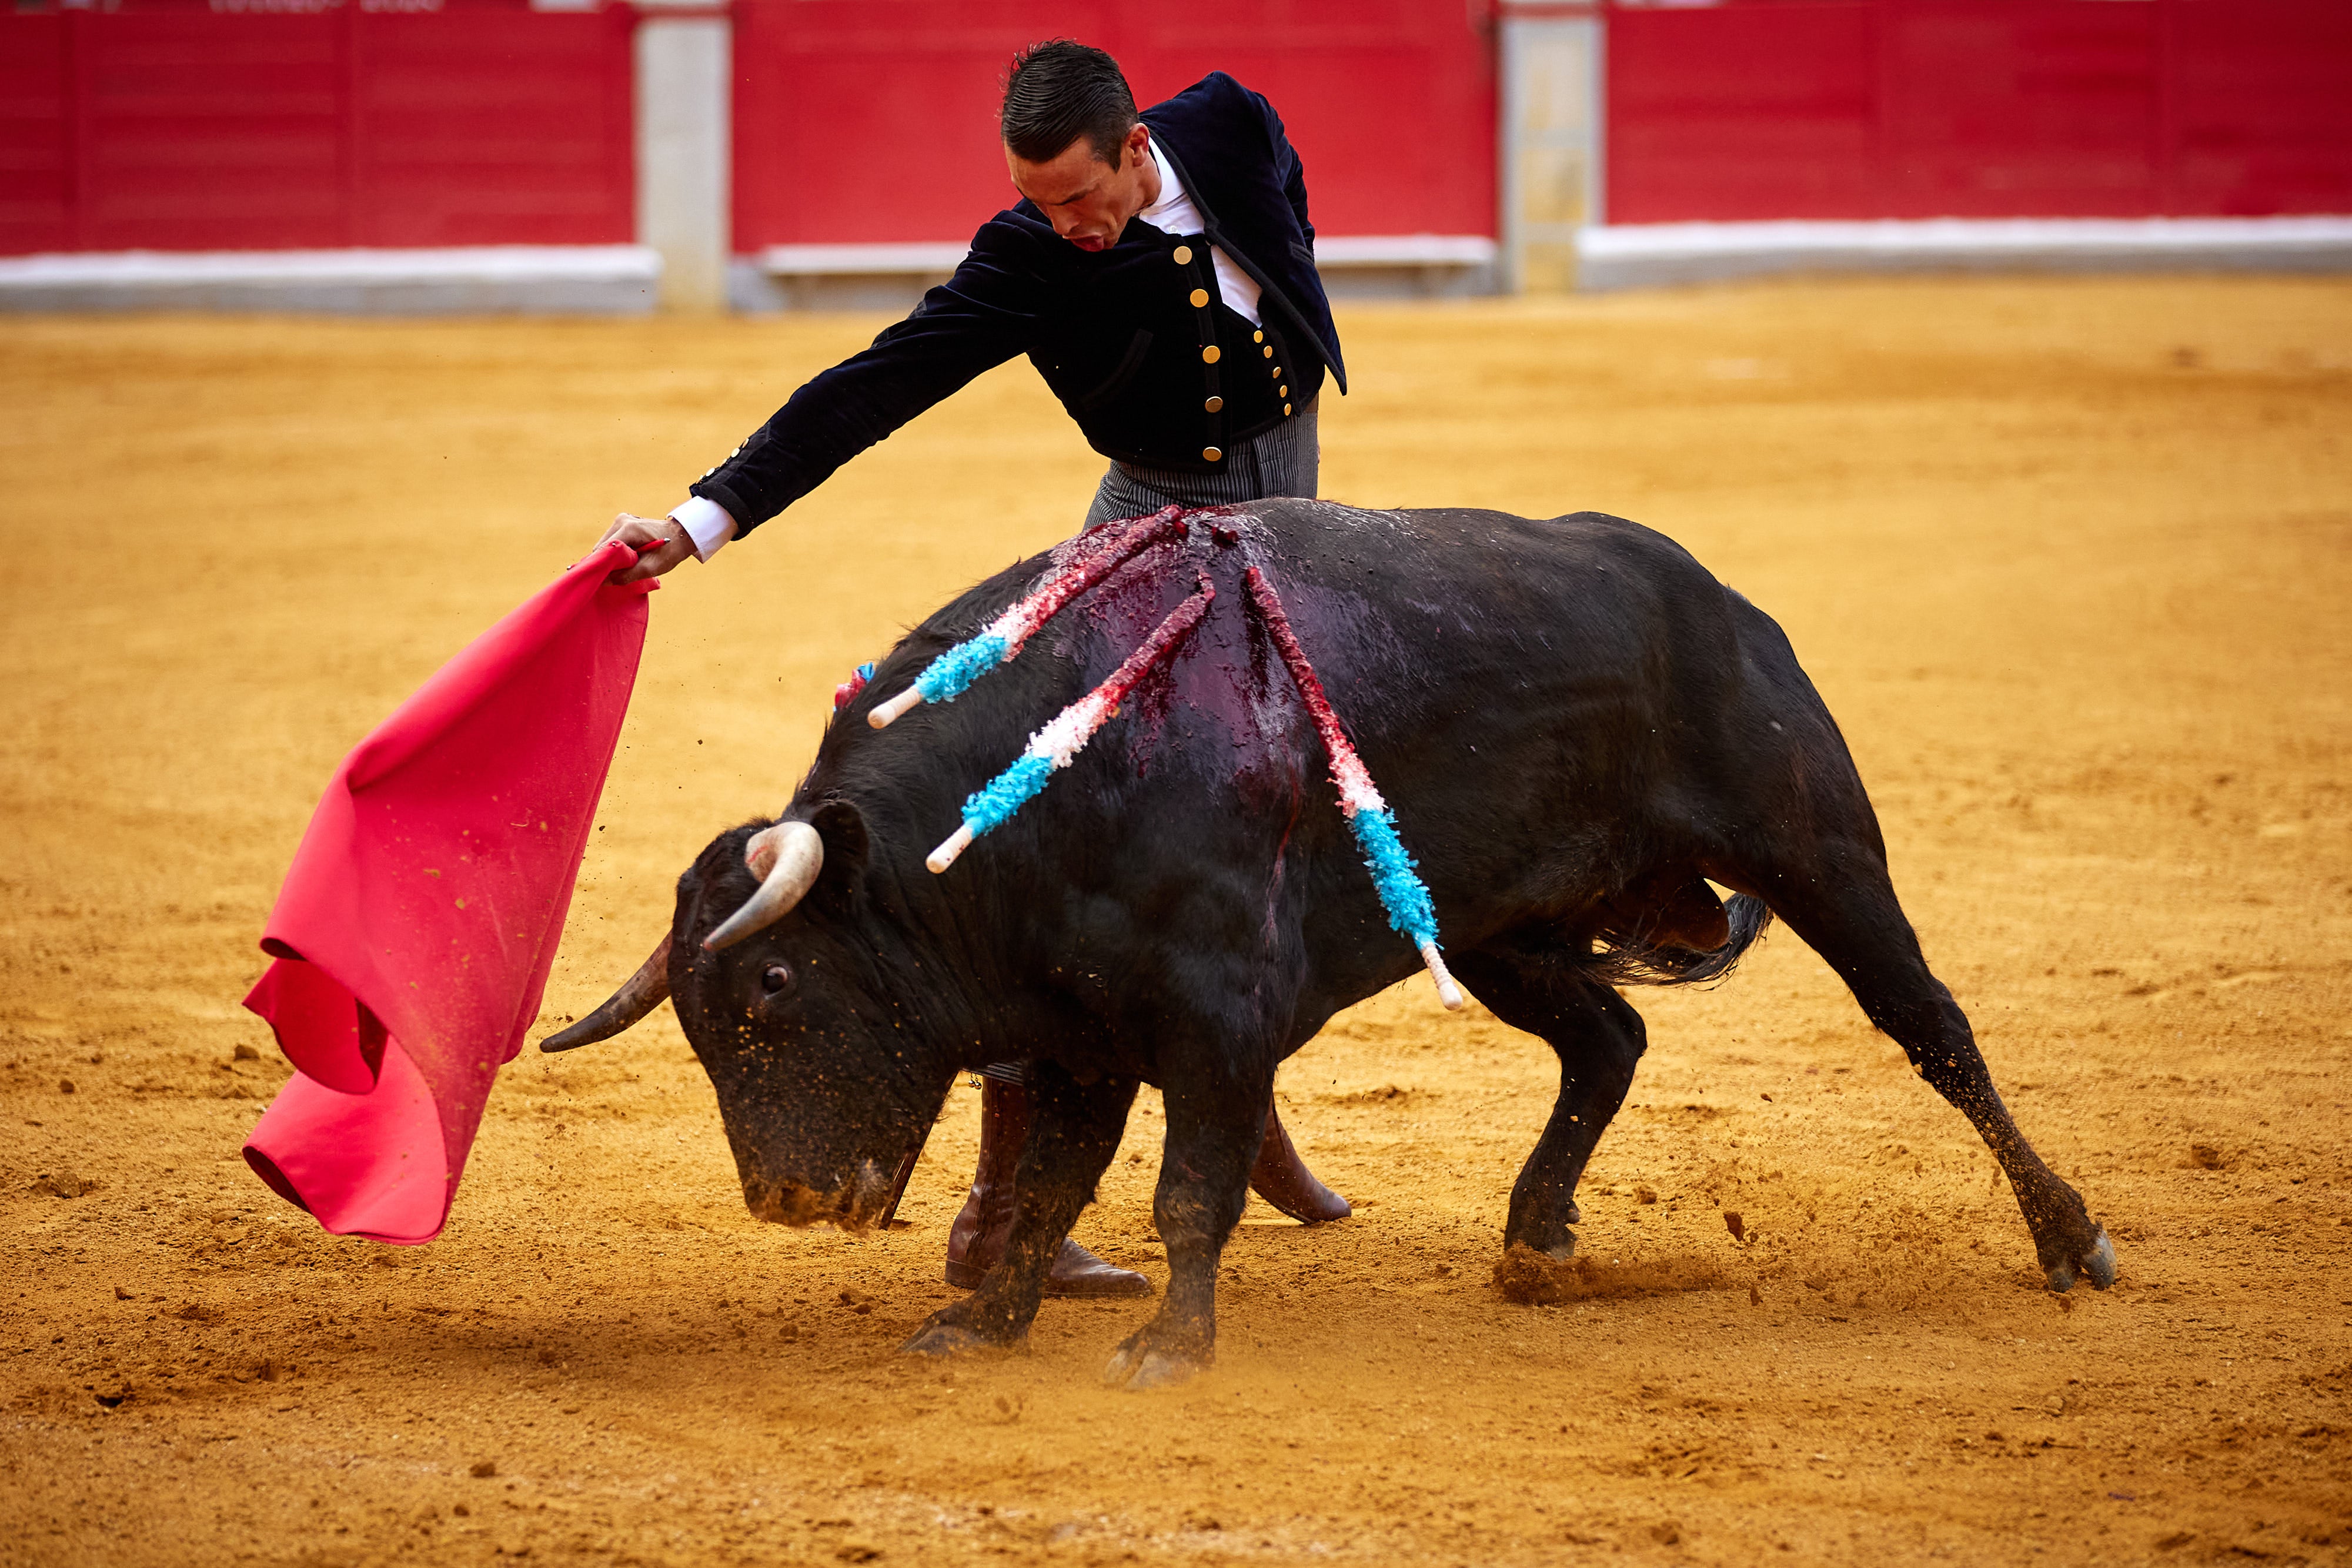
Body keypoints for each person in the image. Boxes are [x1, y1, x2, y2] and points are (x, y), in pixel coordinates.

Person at [600, 39, 1351, 1296]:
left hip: (1291, 500)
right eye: (1039, 204)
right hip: (1146, 525)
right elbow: (871, 387)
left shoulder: (1228, 124)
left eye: (1082, 198)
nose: (1067, 225)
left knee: (1261, 818)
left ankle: (1244, 1112)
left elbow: (1282, 210)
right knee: (1059, 850)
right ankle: (1008, 1220)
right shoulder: (1024, 258)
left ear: (1133, 147)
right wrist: (704, 516)